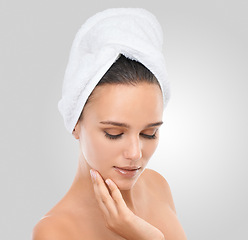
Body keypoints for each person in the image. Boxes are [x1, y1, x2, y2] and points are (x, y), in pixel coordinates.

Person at [32, 8, 187, 240]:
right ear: (76, 123)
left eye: (149, 133)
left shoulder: (158, 186)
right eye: (114, 133)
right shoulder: (55, 232)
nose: (135, 153)